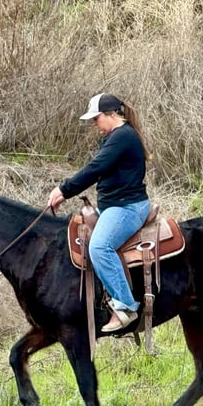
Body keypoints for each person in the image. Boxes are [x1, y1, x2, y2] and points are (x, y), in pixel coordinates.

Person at [47, 93, 151, 332]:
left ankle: (125, 306)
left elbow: (96, 168)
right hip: (114, 206)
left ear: (111, 114)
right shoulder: (115, 137)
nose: (94, 124)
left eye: (96, 118)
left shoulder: (123, 136)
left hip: (126, 207)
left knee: (99, 246)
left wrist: (64, 190)